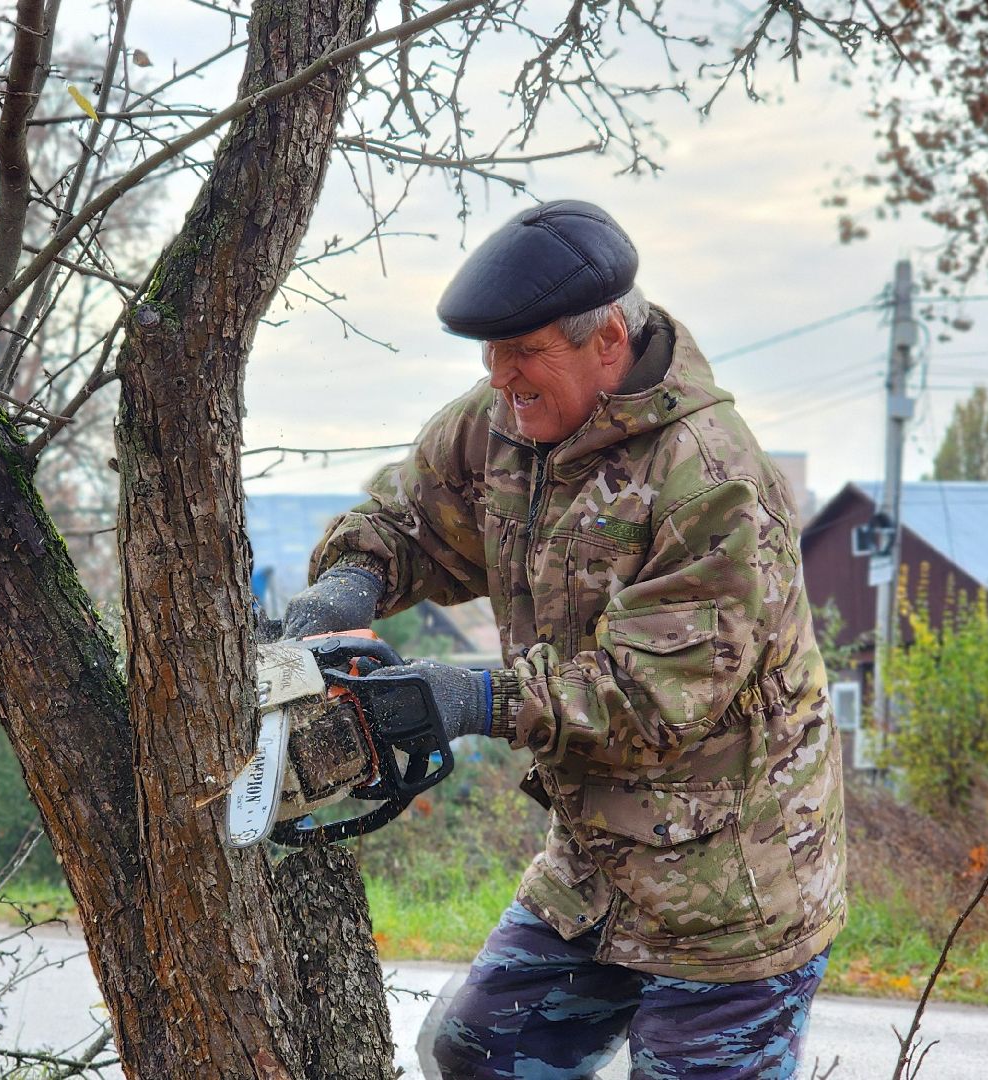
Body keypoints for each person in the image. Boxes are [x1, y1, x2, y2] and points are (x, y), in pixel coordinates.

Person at [281, 200, 846, 1079]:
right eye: (492, 355)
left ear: (608, 340)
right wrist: (350, 581)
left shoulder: (714, 482)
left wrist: (473, 696)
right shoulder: (504, 420)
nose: (502, 378)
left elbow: (652, 697)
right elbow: (415, 518)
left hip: (732, 887)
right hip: (597, 872)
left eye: (525, 354)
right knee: (479, 1053)